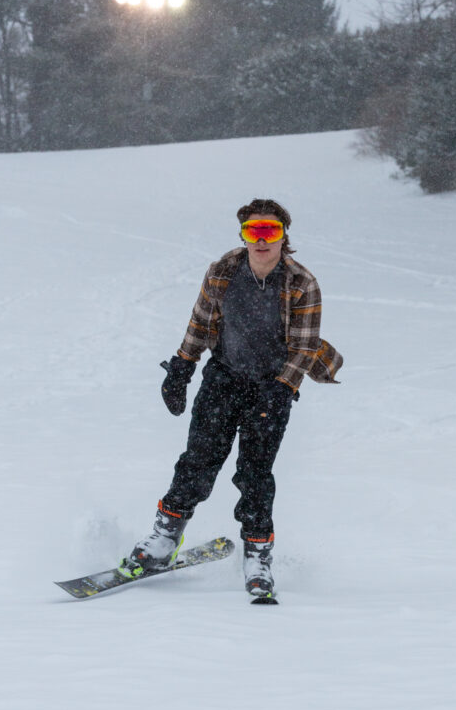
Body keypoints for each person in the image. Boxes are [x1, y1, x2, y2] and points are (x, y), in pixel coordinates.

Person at [119, 198, 343, 599]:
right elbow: (201, 322)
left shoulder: (301, 282)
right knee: (198, 461)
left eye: (270, 232)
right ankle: (163, 540)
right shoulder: (223, 271)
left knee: (255, 474)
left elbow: (305, 346)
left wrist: (280, 390)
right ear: (243, 234)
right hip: (224, 379)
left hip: (271, 387)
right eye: (253, 231)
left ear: (283, 236)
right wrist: (182, 369)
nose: (261, 241)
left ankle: (258, 557)